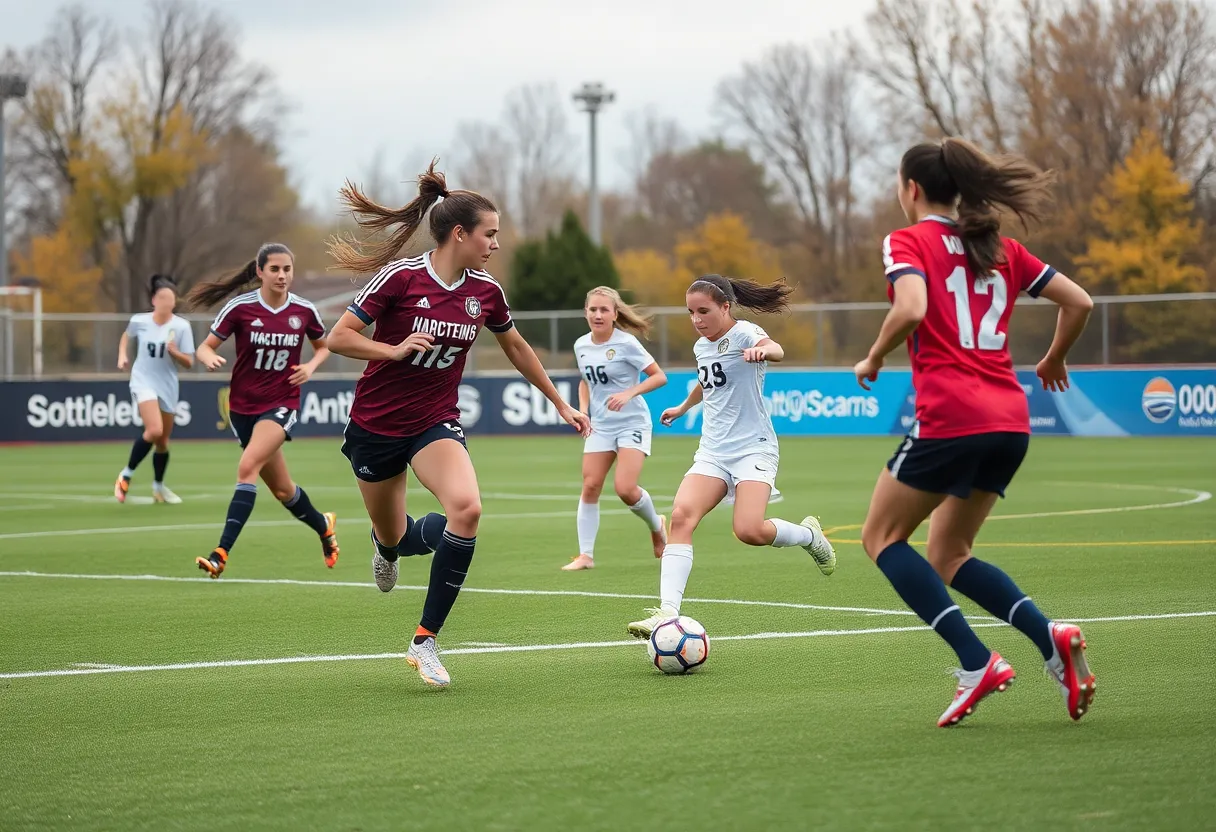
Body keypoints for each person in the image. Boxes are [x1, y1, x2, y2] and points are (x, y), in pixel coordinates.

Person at [853, 137, 1097, 727]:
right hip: (1010, 420)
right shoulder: (1000, 246)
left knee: (881, 538)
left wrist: (874, 357)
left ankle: (975, 661)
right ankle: (1051, 640)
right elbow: (1080, 301)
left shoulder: (907, 240)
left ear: (910, 188)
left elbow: (910, 307)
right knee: (949, 552)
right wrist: (1054, 359)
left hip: (952, 417)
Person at [326, 160, 591, 688]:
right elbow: (339, 338)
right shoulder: (400, 278)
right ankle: (386, 546)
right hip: (376, 425)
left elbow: (515, 345)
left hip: (434, 421)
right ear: (459, 234)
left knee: (467, 509)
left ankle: (425, 641)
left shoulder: (486, 291)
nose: (495, 244)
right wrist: (394, 349)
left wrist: (560, 403)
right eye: (489, 234)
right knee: (396, 537)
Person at [625, 274, 836, 640]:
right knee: (680, 516)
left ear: (725, 307)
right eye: (691, 312)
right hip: (713, 450)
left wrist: (762, 351)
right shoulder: (701, 347)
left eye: (703, 311)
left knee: (749, 530)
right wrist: (682, 406)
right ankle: (667, 614)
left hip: (753, 447)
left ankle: (808, 535)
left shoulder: (744, 333)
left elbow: (777, 349)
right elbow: (708, 382)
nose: (696, 319)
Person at [188, 243, 340, 578]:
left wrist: (311, 366)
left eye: (287, 269)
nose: (282, 275)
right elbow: (204, 346)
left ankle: (220, 553)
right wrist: (208, 357)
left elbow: (324, 346)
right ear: (259, 272)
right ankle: (324, 527)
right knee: (284, 491)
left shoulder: (303, 310)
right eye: (274, 269)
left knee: (247, 468)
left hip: (282, 403)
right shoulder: (240, 308)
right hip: (242, 409)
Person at [563, 286, 668, 571]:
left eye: (604, 310)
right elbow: (585, 381)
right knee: (590, 485)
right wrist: (583, 411)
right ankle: (585, 555)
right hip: (601, 425)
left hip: (632, 422)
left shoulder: (627, 344)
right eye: (593, 309)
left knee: (625, 488)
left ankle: (657, 524)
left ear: (614, 314)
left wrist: (629, 393)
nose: (597, 314)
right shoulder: (581, 345)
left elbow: (659, 377)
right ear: (586, 312)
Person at [115, 274, 194, 504]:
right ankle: (125, 475)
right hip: (143, 380)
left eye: (170, 298)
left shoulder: (181, 326)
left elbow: (189, 362)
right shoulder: (140, 321)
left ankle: (158, 487)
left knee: (162, 441)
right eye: (162, 297)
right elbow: (125, 336)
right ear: (153, 300)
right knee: (154, 430)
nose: (166, 302)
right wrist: (122, 355)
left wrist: (175, 352)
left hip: (167, 384)